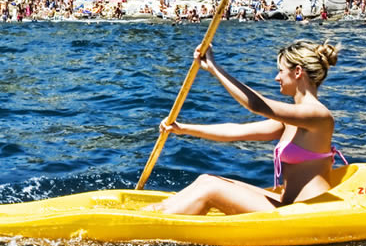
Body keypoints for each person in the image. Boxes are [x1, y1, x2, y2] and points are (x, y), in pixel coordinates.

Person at [147, 40, 343, 215]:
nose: (277, 77)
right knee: (206, 179)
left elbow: (256, 105)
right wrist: (182, 128)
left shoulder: (318, 115)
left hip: (310, 212)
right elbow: (234, 131)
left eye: (281, 71)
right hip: (289, 205)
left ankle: (154, 225)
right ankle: (155, 212)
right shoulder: (292, 118)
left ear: (298, 72)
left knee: (212, 189)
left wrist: (215, 69)